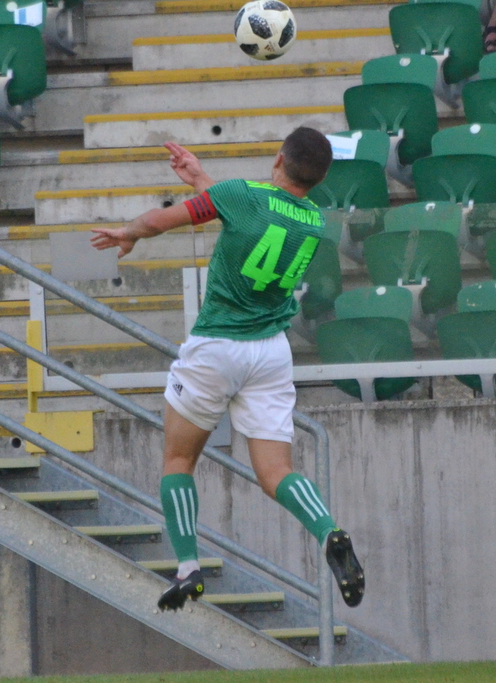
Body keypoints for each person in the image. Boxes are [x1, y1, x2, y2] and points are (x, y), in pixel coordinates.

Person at [89, 129, 366, 611]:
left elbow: (164, 221)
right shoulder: (315, 220)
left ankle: (189, 567)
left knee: (179, 460)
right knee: (276, 471)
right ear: (319, 179)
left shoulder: (241, 194)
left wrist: (128, 232)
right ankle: (330, 531)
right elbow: (251, 217)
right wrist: (201, 179)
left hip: (217, 346)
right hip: (271, 354)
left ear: (279, 157)